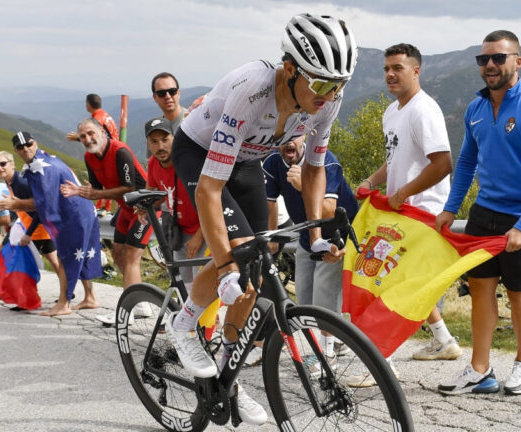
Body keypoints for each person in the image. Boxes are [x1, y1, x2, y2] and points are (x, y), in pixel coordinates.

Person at [167, 13, 357, 425]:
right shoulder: (251, 90)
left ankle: (226, 379)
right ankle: (182, 324)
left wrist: (317, 236)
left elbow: (313, 169)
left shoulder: (329, 99)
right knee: (235, 257)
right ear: (290, 69)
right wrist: (224, 265)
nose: (331, 95)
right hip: (199, 152)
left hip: (247, 160)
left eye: (340, 85)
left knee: (252, 277)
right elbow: (208, 191)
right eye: (323, 84)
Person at [435, 30, 521, 396]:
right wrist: (450, 208)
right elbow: (466, 162)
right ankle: (480, 371)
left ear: (517, 61)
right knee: (479, 291)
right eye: (484, 59)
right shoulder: (476, 109)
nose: (490, 65)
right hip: (483, 214)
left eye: (499, 58)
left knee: (520, 293)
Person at [356, 43, 461, 370]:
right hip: (400, 214)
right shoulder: (392, 112)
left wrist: (404, 193)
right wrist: (372, 182)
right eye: (387, 69)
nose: (390, 74)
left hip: (423, 213)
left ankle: (378, 364)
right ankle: (444, 341)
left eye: (398, 68)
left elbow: (443, 163)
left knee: (390, 283)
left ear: (416, 71)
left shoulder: (423, 109)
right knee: (404, 282)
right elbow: (394, 159)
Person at [263, 134, 359, 373]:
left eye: (295, 136)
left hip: (336, 234)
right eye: (284, 137)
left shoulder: (326, 161)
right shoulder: (273, 162)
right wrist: (272, 234)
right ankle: (335, 341)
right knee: (304, 299)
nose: (289, 143)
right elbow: (270, 201)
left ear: (305, 136)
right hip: (307, 235)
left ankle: (327, 356)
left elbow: (328, 211)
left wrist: (303, 185)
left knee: (324, 297)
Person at [60, 118, 149, 325]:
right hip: (125, 209)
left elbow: (128, 187)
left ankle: (127, 312)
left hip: (145, 207)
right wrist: (84, 192)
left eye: (91, 133)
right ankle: (141, 304)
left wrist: (93, 193)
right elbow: (98, 188)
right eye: (82, 136)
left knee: (130, 255)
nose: (88, 139)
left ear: (102, 131)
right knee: (117, 253)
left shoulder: (120, 151)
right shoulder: (89, 157)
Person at [0, 148, 99, 315]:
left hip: (56, 221)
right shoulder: (12, 183)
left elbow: (41, 206)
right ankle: (88, 297)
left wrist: (28, 231)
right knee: (72, 258)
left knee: (64, 260)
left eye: (2, 164)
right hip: (57, 220)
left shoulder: (22, 183)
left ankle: (64, 302)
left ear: (12, 164)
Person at [143, 116, 205, 289]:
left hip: (204, 232)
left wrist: (200, 236)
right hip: (180, 233)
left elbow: (215, 201)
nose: (160, 147)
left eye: (165, 140)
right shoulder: (153, 163)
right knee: (185, 288)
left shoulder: (188, 163)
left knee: (204, 290)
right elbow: (155, 193)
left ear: (174, 139)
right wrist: (143, 207)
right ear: (149, 145)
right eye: (154, 142)